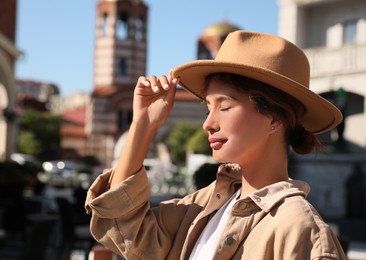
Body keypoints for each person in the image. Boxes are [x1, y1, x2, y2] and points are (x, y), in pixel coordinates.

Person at [85, 30, 347, 259]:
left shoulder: (299, 229)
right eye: (208, 108)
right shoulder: (207, 204)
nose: (208, 123)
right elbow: (121, 224)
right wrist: (143, 125)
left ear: (274, 119)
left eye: (225, 106)